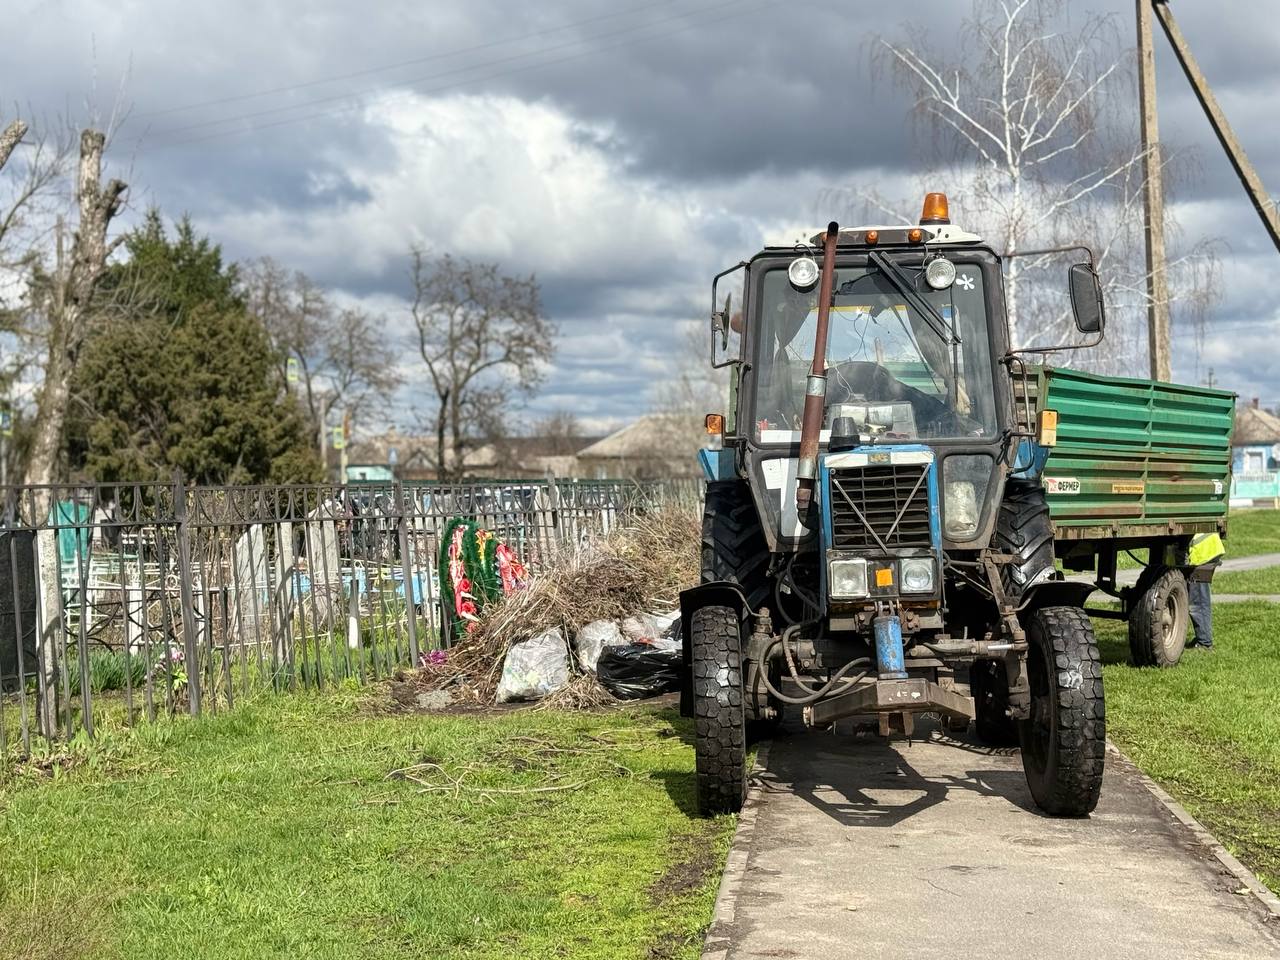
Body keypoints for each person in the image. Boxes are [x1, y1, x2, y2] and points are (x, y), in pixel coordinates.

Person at [1186, 531, 1225, 650]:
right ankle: (1202, 638)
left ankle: (1205, 643)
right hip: (1207, 549)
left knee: (1198, 601)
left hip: (1202, 554)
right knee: (1199, 598)